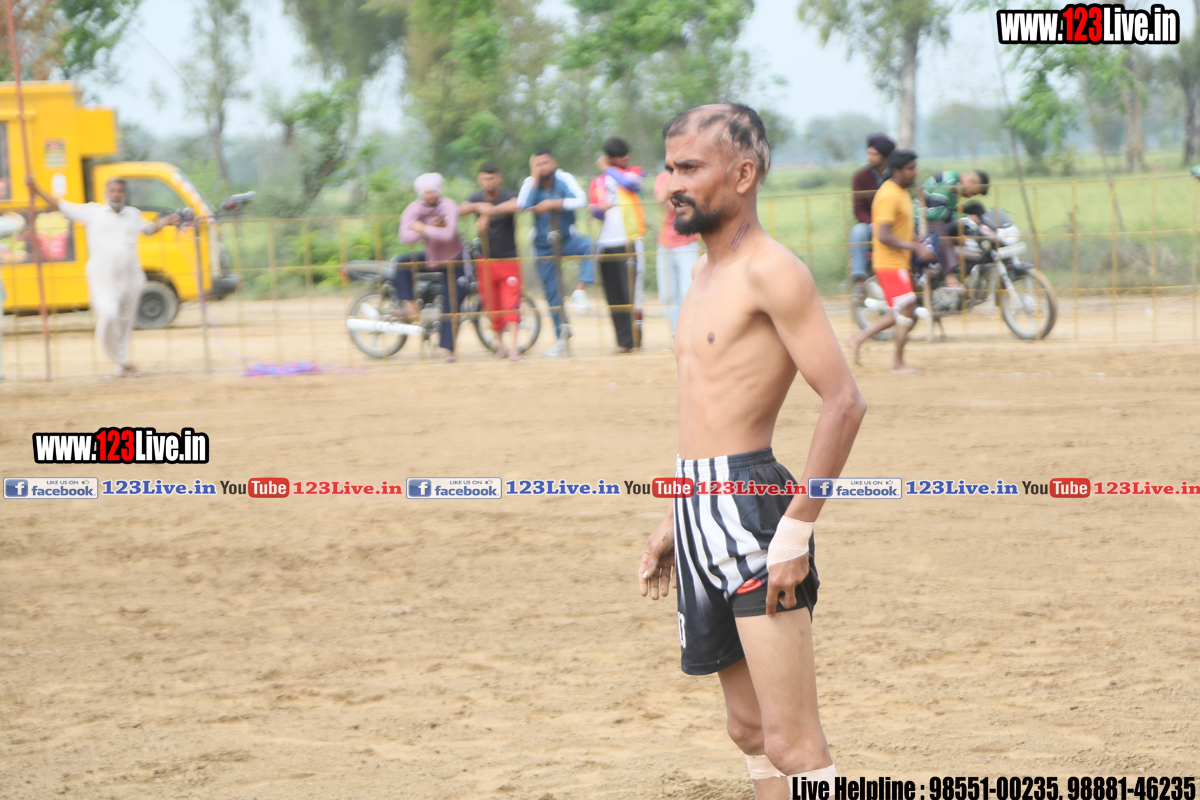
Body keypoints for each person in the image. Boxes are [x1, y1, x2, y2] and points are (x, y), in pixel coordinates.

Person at [637, 103, 867, 800]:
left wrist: (795, 531)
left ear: (743, 175)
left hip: (754, 514)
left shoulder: (773, 271)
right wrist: (676, 517)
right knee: (747, 729)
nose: (672, 185)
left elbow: (844, 401)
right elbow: (705, 407)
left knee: (794, 742)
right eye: (669, 168)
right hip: (698, 507)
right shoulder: (702, 274)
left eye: (689, 168)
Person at [27, 175, 180, 377]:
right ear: (106, 193)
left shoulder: (133, 215)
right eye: (112, 191)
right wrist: (37, 189)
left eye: (120, 191)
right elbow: (60, 206)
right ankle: (120, 361)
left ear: (125, 194)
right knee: (109, 314)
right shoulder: (93, 212)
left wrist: (166, 221)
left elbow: (149, 230)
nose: (116, 195)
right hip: (104, 279)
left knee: (125, 322)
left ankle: (122, 364)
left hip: (131, 277)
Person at [847, 149, 938, 374]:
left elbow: (900, 229)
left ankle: (859, 338)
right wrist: (916, 247)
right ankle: (897, 363)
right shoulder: (888, 195)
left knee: (902, 309)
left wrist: (917, 240)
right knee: (907, 307)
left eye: (915, 167)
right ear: (896, 171)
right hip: (889, 263)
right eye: (910, 169)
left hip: (899, 262)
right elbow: (883, 235)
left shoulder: (902, 192)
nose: (915, 172)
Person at [517, 150, 594, 357]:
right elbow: (523, 205)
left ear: (554, 163)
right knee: (552, 293)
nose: (542, 167)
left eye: (545, 163)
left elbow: (580, 200)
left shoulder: (564, 178)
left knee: (590, 246)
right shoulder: (530, 183)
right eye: (538, 164)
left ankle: (580, 291)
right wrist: (534, 178)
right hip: (543, 244)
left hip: (567, 238)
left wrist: (554, 204)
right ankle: (562, 337)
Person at [398, 173, 466, 362]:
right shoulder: (414, 209)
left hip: (453, 259)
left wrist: (423, 228)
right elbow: (404, 236)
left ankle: (448, 349)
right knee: (401, 263)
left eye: (433, 191)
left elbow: (449, 234)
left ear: (438, 191)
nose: (430, 195)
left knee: (452, 300)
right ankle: (410, 305)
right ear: (421, 194)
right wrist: (426, 230)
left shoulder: (449, 206)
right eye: (426, 192)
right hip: (431, 258)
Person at [460, 162, 522, 361]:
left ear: (499, 178)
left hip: (509, 259)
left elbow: (518, 204)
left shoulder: (508, 196)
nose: (488, 182)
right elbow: (460, 209)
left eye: (491, 178)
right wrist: (478, 207)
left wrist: (490, 211)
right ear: (480, 180)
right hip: (485, 261)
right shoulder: (476, 198)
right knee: (492, 305)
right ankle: (500, 347)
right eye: (484, 178)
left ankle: (514, 347)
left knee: (511, 303)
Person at [589, 137, 646, 353]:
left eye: (626, 154)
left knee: (631, 292)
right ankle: (623, 341)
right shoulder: (598, 182)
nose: (626, 158)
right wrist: (598, 209)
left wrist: (608, 168)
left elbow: (630, 185)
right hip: (606, 242)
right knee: (613, 294)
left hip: (629, 240)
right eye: (620, 156)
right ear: (611, 158)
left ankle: (636, 338)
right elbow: (594, 210)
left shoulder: (633, 172)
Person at [917, 169, 989, 288]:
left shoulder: (956, 187)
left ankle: (983, 250)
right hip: (924, 222)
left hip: (937, 219)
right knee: (939, 226)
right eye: (972, 193)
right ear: (970, 181)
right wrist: (965, 217)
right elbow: (936, 213)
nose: (969, 196)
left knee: (976, 208)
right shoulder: (947, 181)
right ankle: (949, 275)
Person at [653, 167, 701, 338]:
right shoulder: (663, 177)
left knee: (687, 293)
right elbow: (662, 199)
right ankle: (677, 337)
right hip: (665, 243)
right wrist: (673, 173)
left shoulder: (692, 177)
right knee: (667, 296)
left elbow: (688, 205)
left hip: (687, 242)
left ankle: (689, 336)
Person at [848, 134, 895, 294]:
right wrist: (873, 224)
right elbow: (858, 209)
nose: (869, 157)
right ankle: (859, 282)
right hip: (871, 225)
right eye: (869, 153)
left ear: (885, 156)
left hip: (894, 224)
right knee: (858, 231)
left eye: (874, 154)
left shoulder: (896, 175)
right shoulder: (860, 177)